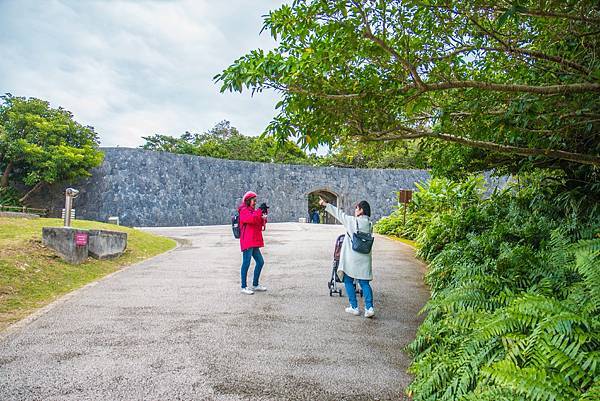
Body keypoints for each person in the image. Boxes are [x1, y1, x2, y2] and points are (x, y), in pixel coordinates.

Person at [319, 197, 375, 318]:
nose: (355, 210)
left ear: (361, 210)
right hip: (365, 258)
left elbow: (339, 214)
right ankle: (369, 308)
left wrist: (325, 204)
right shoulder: (370, 224)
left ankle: (354, 307)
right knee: (364, 283)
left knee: (348, 280)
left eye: (357, 208)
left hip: (352, 259)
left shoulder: (352, 222)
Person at [238, 191, 268, 295]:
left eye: (256, 200)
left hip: (253, 241)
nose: (255, 202)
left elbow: (258, 223)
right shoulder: (243, 211)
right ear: (248, 201)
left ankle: (255, 285)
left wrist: (263, 216)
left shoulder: (253, 211)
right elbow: (251, 219)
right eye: (253, 200)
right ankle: (243, 286)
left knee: (260, 262)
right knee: (246, 263)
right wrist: (259, 211)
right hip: (247, 241)